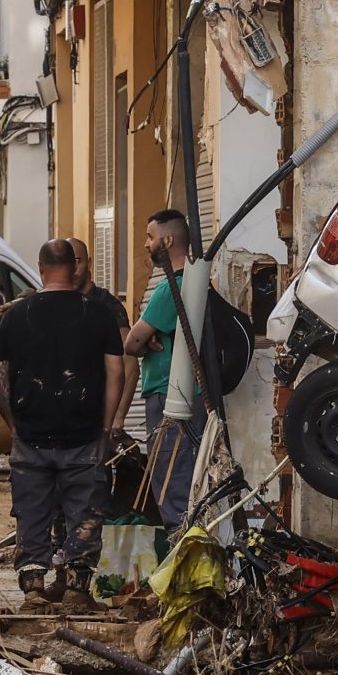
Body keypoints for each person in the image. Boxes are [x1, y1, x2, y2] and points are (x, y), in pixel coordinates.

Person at [0, 238, 123, 605]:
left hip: (31, 433)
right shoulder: (98, 314)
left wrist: (13, 421)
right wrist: (107, 422)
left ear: (40, 268)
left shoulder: (15, 316)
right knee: (85, 508)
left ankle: (33, 586)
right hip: (84, 432)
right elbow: (116, 371)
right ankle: (77, 588)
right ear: (75, 267)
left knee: (32, 508)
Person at [125, 209, 205, 528]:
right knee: (187, 474)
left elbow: (131, 343)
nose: (146, 244)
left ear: (167, 239)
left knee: (171, 478)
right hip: (194, 395)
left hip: (168, 395)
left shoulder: (169, 288)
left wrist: (147, 339)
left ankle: (180, 552)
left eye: (150, 236)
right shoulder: (199, 283)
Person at [68, 237, 136, 453]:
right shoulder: (64, 303)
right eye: (67, 263)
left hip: (98, 419)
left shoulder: (107, 305)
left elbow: (130, 365)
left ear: (88, 261)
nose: (72, 269)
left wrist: (117, 418)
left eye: (77, 261)